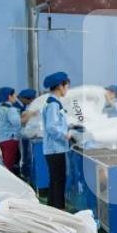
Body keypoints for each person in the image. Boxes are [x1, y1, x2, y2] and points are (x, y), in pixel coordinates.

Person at [42, 71, 72, 210]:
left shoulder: (52, 102)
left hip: (53, 148)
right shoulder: (54, 104)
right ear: (60, 86)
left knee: (55, 181)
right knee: (59, 181)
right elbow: (52, 126)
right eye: (67, 86)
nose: (67, 89)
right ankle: (60, 211)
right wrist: (65, 135)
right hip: (55, 148)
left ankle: (52, 209)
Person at [0, 87, 22, 175]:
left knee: (7, 162)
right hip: (10, 139)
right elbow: (17, 123)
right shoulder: (11, 109)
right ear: (9, 96)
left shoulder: (0, 109)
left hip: (2, 139)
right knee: (8, 165)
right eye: (14, 95)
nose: (16, 97)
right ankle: (8, 183)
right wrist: (29, 116)